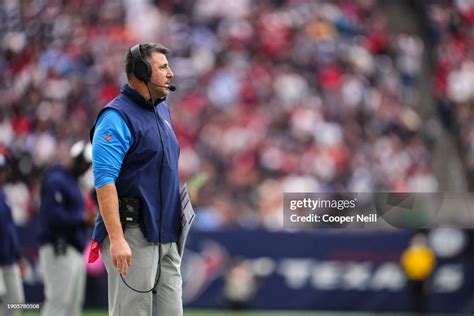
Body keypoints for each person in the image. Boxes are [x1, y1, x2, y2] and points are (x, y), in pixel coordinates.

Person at [88, 43, 182, 316]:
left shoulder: (162, 112)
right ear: (141, 71)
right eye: (163, 67)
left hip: (166, 236)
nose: (171, 73)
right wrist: (117, 239)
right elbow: (104, 181)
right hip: (133, 235)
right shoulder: (116, 117)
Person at [38, 141, 96, 316]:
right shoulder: (56, 180)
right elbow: (52, 218)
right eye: (86, 164)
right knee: (58, 302)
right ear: (77, 160)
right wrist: (82, 219)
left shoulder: (73, 182)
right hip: (59, 246)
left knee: (73, 305)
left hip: (74, 248)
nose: (87, 169)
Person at [0, 153, 25, 316]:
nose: (4, 174)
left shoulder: (3, 194)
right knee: (1, 300)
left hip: (8, 258)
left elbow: (8, 229)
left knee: (15, 302)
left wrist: (17, 256)